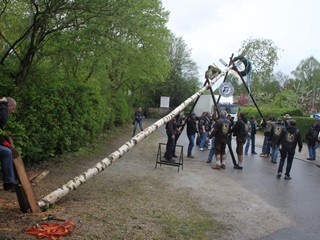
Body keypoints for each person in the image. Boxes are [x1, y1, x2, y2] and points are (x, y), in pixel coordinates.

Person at [0, 97, 17, 192]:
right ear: (8, 106)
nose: (12, 111)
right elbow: (2, 120)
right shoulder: (3, 108)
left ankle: (10, 181)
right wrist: (3, 104)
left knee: (7, 150)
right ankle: (8, 183)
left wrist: (5, 143)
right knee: (6, 152)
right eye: (12, 108)